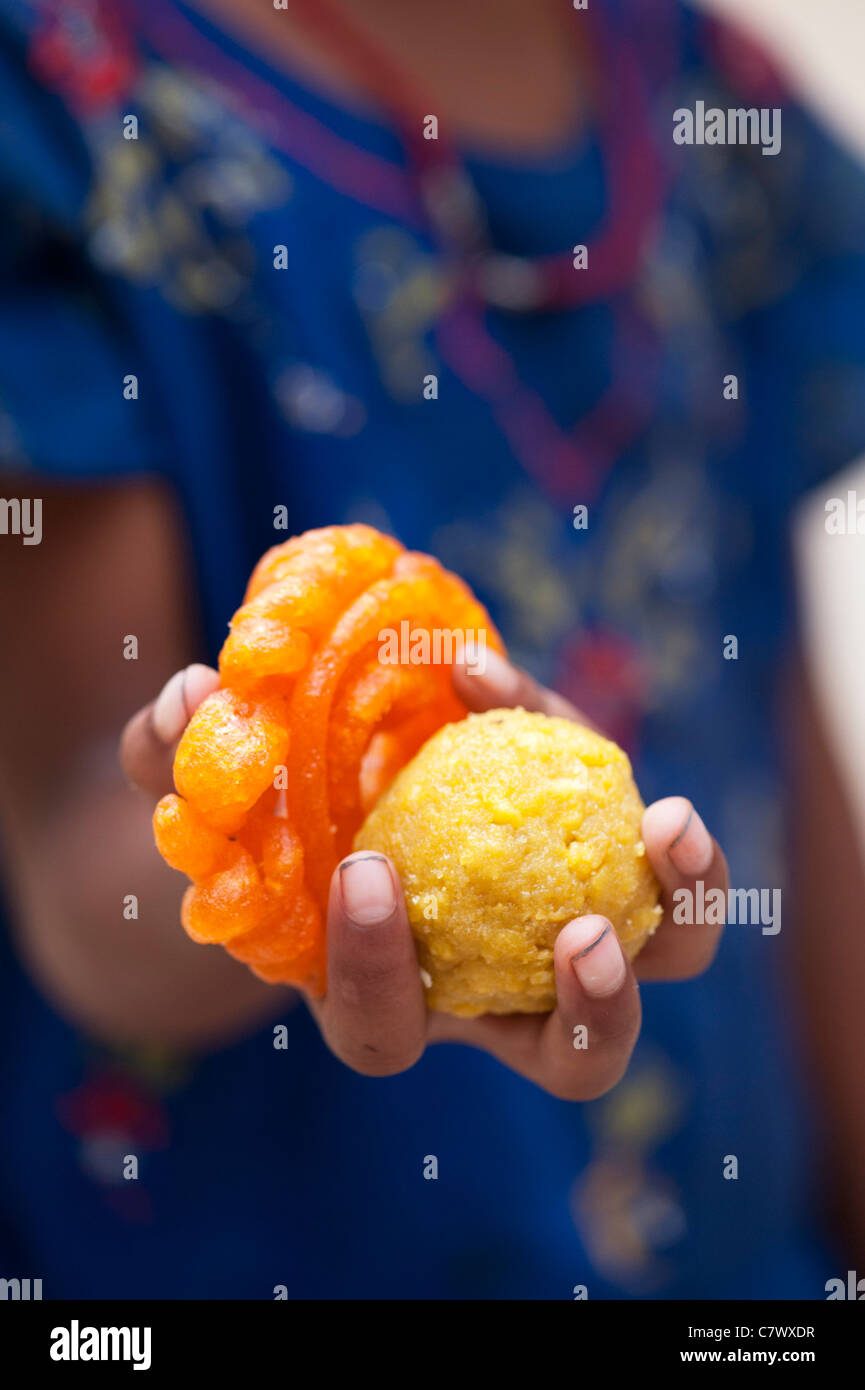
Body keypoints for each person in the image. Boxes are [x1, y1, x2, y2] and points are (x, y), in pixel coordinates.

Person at [1, 0, 863, 1298]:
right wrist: (287, 871)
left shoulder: (708, 106)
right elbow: (85, 860)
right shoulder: (62, 106)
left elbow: (791, 763)